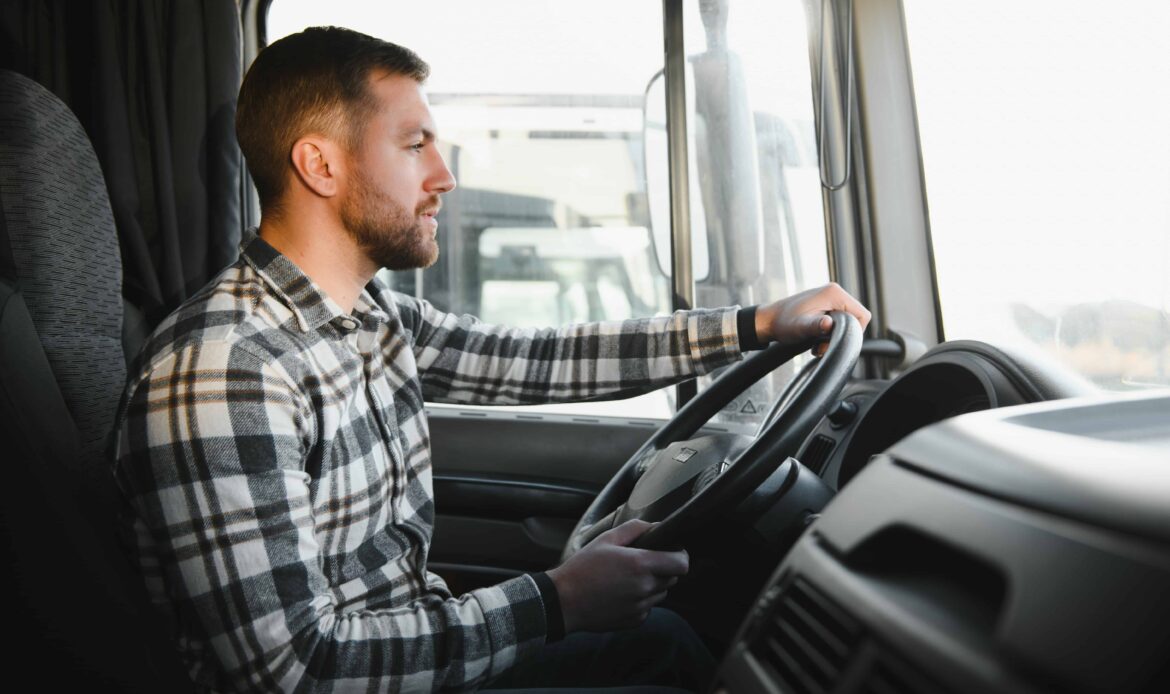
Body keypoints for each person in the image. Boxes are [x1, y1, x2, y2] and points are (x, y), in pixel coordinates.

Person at [112, 26, 871, 693]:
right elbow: (295, 672)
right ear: (319, 164)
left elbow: (538, 358)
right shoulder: (224, 372)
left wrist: (753, 324)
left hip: (412, 650)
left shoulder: (371, 315)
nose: (445, 176)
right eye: (415, 147)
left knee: (668, 643)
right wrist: (557, 601)